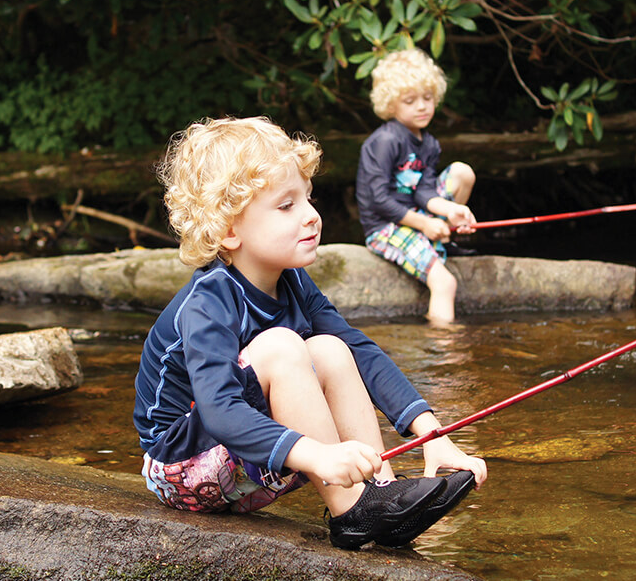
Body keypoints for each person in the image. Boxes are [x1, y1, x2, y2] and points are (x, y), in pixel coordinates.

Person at [134, 116, 487, 550]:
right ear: (228, 231)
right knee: (284, 347)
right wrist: (318, 455)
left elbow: (361, 352)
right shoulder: (210, 300)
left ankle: (378, 492)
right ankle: (354, 509)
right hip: (181, 467)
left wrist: (433, 436)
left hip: (245, 451)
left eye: (308, 198)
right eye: (287, 206)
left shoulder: (294, 283)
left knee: (333, 349)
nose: (312, 216)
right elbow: (219, 409)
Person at [356, 48, 478, 324]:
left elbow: (424, 191)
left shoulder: (429, 144)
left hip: (415, 216)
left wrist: (450, 210)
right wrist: (423, 225)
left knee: (462, 173)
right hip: (386, 227)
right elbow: (377, 199)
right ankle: (443, 352)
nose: (422, 106)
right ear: (391, 105)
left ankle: (445, 238)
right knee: (445, 283)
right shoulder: (385, 141)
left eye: (428, 98)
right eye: (410, 101)